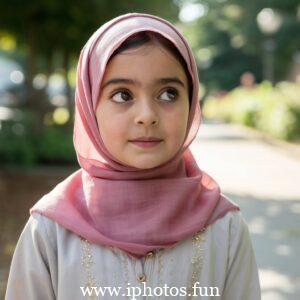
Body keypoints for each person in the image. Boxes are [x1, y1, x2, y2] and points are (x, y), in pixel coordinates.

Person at [5, 13, 261, 299]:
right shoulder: (51, 230)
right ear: (91, 106)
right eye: (122, 95)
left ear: (191, 103)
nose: (147, 116)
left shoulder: (224, 229)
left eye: (168, 94)